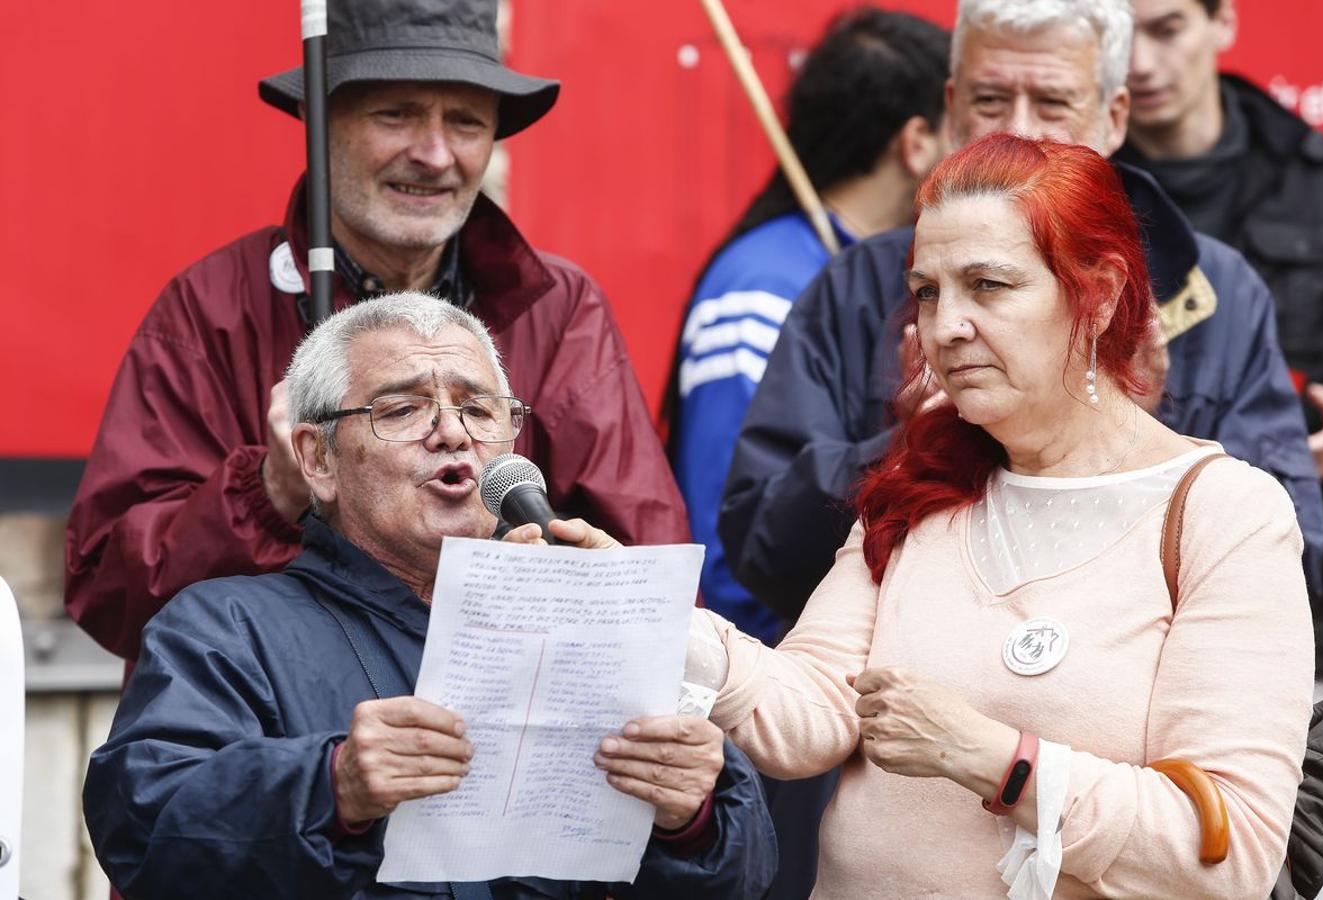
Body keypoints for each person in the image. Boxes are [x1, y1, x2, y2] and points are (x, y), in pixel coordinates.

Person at [689, 133, 1312, 897]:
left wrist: (994, 757)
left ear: (1101, 293)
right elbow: (813, 711)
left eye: (987, 285)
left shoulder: (1225, 513)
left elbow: (1230, 856)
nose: (943, 326)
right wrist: (661, 623)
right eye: (927, 290)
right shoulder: (919, 483)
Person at [83, 293, 776, 900]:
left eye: (479, 409)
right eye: (403, 408)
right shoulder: (224, 627)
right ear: (317, 458)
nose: (452, 432)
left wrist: (695, 819)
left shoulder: (581, 626)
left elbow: (745, 873)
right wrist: (331, 786)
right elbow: (144, 824)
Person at [65, 0, 688, 663]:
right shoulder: (210, 309)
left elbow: (651, 574)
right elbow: (112, 595)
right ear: (317, 120)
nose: (435, 154)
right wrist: (267, 493)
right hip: (284, 728)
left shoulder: (558, 310)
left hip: (498, 718)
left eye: (468, 123)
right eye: (395, 115)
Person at [719, 0, 1323, 660]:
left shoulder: (1210, 290)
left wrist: (1126, 442)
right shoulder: (861, 287)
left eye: (1053, 103)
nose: (1019, 130)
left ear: (1113, 116)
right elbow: (763, 551)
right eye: (989, 99)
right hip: (894, 706)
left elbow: (1287, 562)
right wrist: (910, 442)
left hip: (1123, 727)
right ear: (951, 108)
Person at [667, 7, 950, 645]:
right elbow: (726, 528)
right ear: (917, 143)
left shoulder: (895, 275)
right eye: (965, 119)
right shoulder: (762, 284)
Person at [1117, 0, 1323, 687]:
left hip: (1294, 596)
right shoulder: (1075, 191)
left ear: (1224, 23)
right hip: (1120, 604)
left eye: (1166, 28)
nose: (1140, 63)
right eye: (1122, 35)